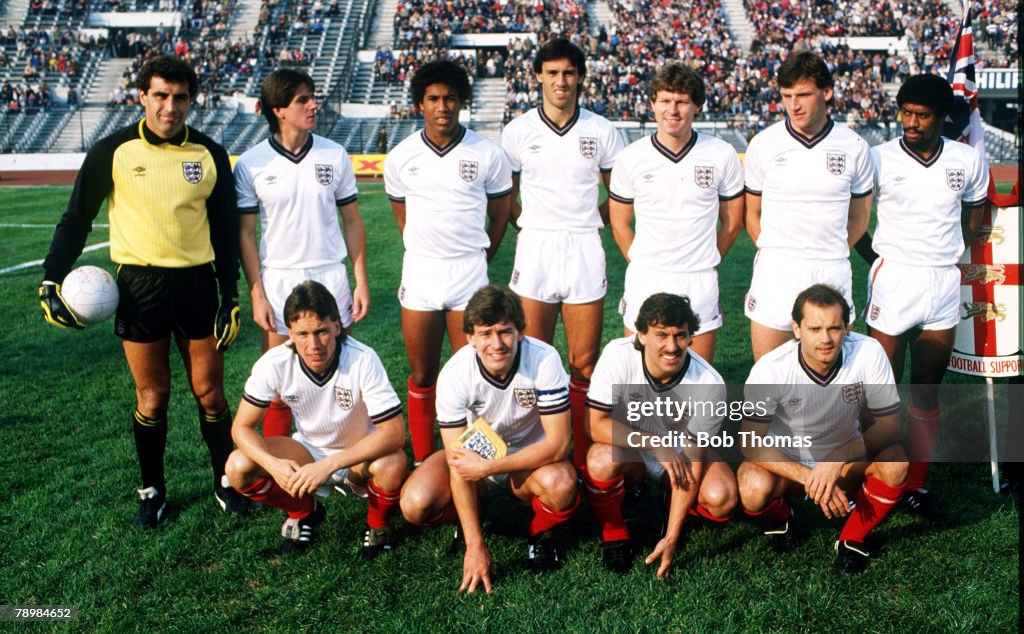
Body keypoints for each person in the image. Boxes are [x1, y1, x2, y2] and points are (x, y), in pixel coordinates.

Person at [39, 55, 246, 527]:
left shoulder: (210, 155)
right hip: (139, 287)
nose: (170, 106)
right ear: (142, 97)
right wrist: (53, 277)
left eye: (179, 97)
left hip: (197, 284)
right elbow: (76, 219)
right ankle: (152, 491)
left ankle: (225, 481)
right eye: (160, 95)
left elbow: (225, 230)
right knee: (152, 397)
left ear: (191, 100)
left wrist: (230, 295)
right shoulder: (113, 150)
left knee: (210, 393)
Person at [854, 74, 989, 519]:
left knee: (927, 390)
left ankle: (916, 484)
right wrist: (874, 257)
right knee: (883, 391)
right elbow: (853, 215)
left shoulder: (967, 160)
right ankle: (878, 479)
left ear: (942, 118)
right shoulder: (878, 157)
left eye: (922, 115)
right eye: (906, 113)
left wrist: (957, 251)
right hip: (893, 279)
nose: (911, 122)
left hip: (942, 282)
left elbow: (976, 208)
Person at [399, 286, 579, 592]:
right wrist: (475, 546)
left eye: (505, 332)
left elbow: (559, 444)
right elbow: (458, 463)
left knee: (562, 485)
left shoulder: (544, 360)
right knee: (415, 504)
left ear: (520, 331)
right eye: (485, 333)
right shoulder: (455, 374)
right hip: (473, 457)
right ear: (470, 336)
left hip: (532, 457)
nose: (496, 344)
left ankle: (540, 533)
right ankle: (470, 523)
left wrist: (490, 469)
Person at [499, 37, 624, 470]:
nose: (561, 81)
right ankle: (536, 451)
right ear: (538, 77)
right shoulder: (517, 132)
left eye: (569, 73)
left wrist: (595, 219)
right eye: (552, 73)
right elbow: (504, 198)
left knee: (583, 362)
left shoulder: (602, 130)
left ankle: (582, 452)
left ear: (580, 77)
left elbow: (622, 195)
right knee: (531, 353)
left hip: (585, 246)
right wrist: (527, 224)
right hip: (536, 246)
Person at [384, 60, 512, 463]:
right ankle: (424, 459)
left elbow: (501, 216)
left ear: (462, 103)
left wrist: (478, 256)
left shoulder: (487, 153)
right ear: (420, 104)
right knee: (423, 374)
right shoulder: (402, 156)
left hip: (468, 274)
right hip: (421, 272)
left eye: (451, 98)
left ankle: (476, 463)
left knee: (473, 375)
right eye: (434, 99)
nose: (443, 106)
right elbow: (403, 220)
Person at [225, 281, 407, 556]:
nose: (314, 344)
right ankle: (304, 512)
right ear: (290, 332)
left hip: (358, 455)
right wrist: (272, 465)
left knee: (393, 463)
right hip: (308, 451)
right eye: (303, 334)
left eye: (321, 331)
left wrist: (331, 464)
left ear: (336, 325)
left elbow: (394, 432)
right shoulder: (274, 363)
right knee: (238, 465)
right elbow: (241, 427)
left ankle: (378, 525)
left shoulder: (362, 359)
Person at [235, 68, 368, 439]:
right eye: (302, 100)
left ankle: (348, 459)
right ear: (278, 109)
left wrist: (360, 282)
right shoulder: (252, 163)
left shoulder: (334, 154)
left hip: (330, 273)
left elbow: (353, 222)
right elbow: (245, 234)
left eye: (312, 97)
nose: (313, 105)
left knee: (341, 371)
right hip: (278, 277)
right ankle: (280, 461)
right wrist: (257, 293)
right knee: (277, 381)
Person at [738, 284, 908, 574]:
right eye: (815, 328)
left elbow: (890, 425)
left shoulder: (868, 351)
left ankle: (851, 539)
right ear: (796, 328)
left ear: (847, 327)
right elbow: (749, 441)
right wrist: (809, 478)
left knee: (896, 463)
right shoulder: (771, 369)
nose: (826, 339)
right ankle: (784, 515)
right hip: (789, 464)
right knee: (751, 488)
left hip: (843, 462)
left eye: (834, 328)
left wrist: (836, 459)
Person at [584, 293, 737, 577]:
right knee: (600, 460)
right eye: (661, 335)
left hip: (681, 454)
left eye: (680, 335)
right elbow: (594, 425)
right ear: (641, 334)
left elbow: (692, 458)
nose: (672, 346)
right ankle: (615, 533)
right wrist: (656, 443)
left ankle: (671, 508)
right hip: (634, 447)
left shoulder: (708, 383)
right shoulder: (618, 355)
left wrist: (672, 536)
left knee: (722, 497)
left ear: (691, 337)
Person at [608, 63, 744, 363]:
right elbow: (619, 223)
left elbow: (732, 222)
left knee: (696, 380)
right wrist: (646, 262)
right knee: (638, 379)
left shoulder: (720, 154)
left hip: (698, 278)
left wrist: (705, 259)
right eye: (665, 100)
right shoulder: (631, 157)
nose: (673, 110)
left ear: (696, 106)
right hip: (647, 276)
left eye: (682, 101)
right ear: (652, 103)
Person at [743, 51, 874, 361]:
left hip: (831, 268)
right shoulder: (764, 143)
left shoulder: (853, 147)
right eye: (787, 96)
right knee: (768, 377)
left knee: (831, 381)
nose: (793, 105)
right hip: (776, 270)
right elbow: (753, 213)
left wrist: (827, 250)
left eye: (803, 95)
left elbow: (860, 216)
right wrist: (776, 251)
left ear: (827, 92)